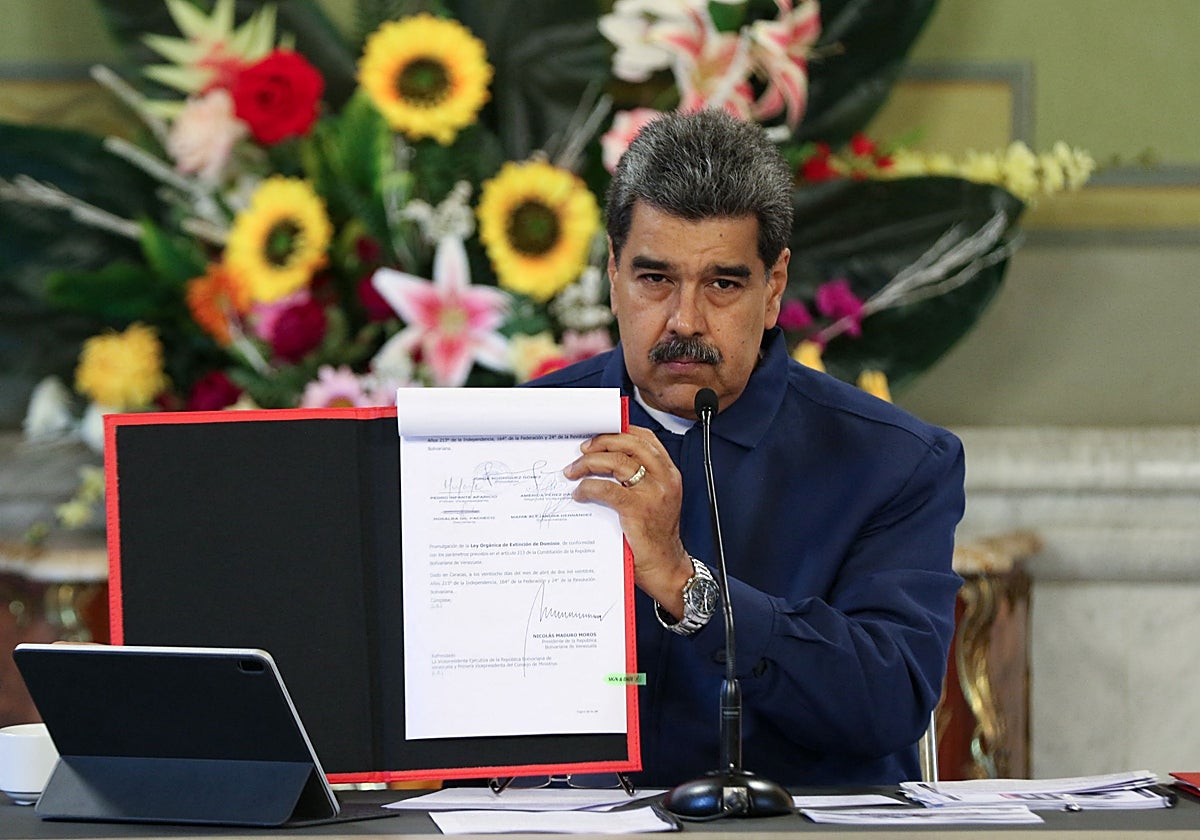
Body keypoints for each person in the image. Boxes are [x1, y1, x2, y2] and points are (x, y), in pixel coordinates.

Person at [527, 109, 964, 787]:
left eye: (723, 284)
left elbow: (886, 704)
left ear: (774, 287)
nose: (685, 321)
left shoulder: (894, 464)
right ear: (613, 274)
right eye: (655, 279)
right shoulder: (509, 433)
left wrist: (684, 584)